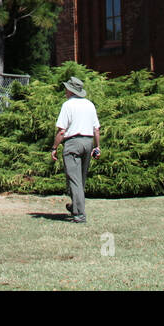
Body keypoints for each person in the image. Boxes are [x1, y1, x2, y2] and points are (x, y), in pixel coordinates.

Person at [50, 76, 101, 223]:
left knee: (74, 179)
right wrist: (97, 147)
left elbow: (61, 131)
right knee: (80, 179)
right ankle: (75, 206)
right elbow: (96, 129)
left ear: (70, 91)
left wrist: (54, 148)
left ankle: (79, 214)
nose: (65, 91)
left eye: (66, 89)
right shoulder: (90, 105)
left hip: (73, 143)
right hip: (88, 142)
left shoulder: (68, 105)